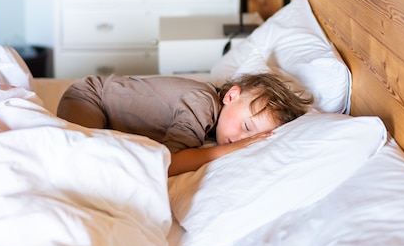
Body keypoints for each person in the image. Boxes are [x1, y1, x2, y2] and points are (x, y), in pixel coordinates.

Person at [57, 72, 312, 176]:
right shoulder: (203, 104)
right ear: (231, 96)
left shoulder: (213, 117)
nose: (241, 139)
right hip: (90, 99)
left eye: (249, 137)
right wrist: (230, 150)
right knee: (79, 164)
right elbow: (168, 163)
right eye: (246, 127)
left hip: (100, 107)